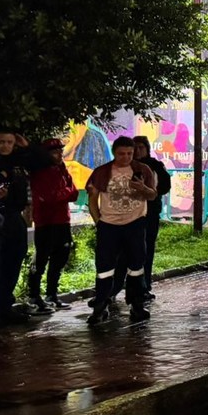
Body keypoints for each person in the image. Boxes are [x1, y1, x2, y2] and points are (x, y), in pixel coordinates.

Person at [86, 137, 157, 325]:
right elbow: (92, 198)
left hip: (135, 223)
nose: (125, 157)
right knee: (105, 267)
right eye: (121, 154)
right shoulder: (102, 172)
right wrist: (98, 222)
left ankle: (137, 304)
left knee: (136, 265)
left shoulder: (143, 170)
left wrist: (143, 189)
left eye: (129, 154)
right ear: (113, 152)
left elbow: (153, 194)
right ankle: (101, 303)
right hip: (109, 225)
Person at [0, 128, 50, 324]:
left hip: (13, 216)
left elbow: (45, 161)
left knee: (14, 260)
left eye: (9, 142)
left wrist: (27, 145)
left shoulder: (18, 159)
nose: (5, 146)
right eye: (1, 141)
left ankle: (5, 307)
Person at [28, 139, 80, 312]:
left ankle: (52, 294)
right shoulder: (40, 172)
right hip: (46, 221)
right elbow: (50, 197)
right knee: (41, 258)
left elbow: (74, 193)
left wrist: (65, 192)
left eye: (60, 150)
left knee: (60, 257)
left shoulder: (61, 169)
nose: (59, 154)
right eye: (54, 151)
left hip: (62, 220)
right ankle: (34, 296)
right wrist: (66, 192)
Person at [130, 135, 171, 300]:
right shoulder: (125, 166)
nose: (138, 151)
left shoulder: (155, 166)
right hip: (129, 214)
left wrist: (150, 192)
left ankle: (144, 285)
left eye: (141, 147)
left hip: (150, 213)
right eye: (136, 148)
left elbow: (165, 186)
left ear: (147, 149)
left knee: (147, 250)